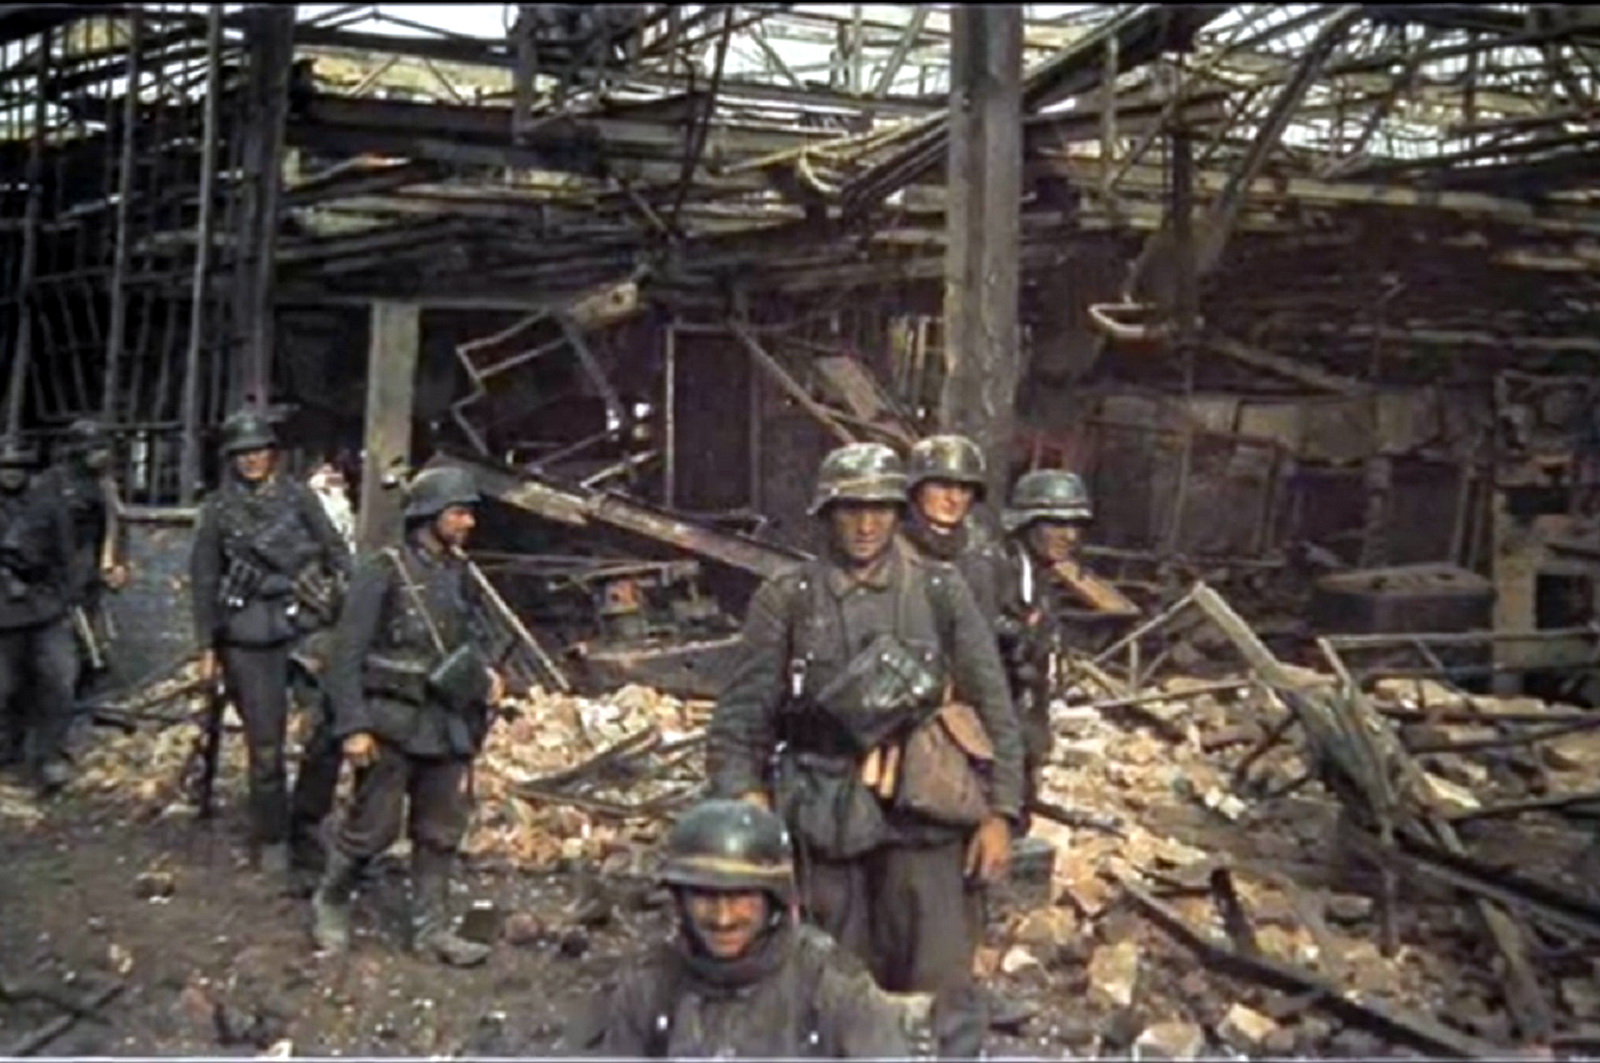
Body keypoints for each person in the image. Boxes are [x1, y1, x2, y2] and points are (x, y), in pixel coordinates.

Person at [708, 441, 1022, 1044]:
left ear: (898, 512)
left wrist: (1001, 813)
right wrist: (747, 805)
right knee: (826, 991)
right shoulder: (788, 599)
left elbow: (994, 707)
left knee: (939, 993)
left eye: (879, 507)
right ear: (826, 514)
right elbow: (741, 718)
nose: (866, 522)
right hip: (824, 818)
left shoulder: (940, 590)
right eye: (850, 507)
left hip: (925, 819)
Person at [311, 465, 506, 967]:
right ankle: (331, 900)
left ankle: (431, 930)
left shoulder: (459, 572)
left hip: (448, 720)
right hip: (392, 719)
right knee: (372, 827)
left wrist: (486, 674)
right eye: (459, 513)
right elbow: (344, 656)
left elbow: (475, 636)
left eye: (467, 513)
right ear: (429, 516)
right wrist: (351, 726)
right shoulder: (383, 570)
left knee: (440, 828)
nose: (468, 523)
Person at [570, 798, 919, 1058]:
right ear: (680, 900)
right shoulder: (649, 986)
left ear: (774, 901)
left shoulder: (829, 986)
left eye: (741, 898)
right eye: (705, 897)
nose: (723, 918)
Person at [189, 408, 351, 877]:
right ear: (231, 459)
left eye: (258, 450)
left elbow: (338, 554)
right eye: (241, 453)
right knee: (265, 748)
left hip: (306, 627)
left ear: (272, 454)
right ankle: (274, 835)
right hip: (248, 637)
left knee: (328, 729)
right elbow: (203, 580)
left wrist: (343, 602)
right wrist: (206, 649)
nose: (251, 460)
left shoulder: (299, 498)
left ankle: (307, 821)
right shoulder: (218, 510)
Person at [0, 439, 80, 792]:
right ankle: (7, 753)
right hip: (3, 612)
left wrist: (67, 596)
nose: (13, 473)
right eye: (6, 466)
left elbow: (66, 551)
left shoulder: (47, 503)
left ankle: (50, 757)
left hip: (46, 607)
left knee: (59, 681)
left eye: (20, 466)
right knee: (5, 688)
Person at [34, 419, 127, 683]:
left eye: (103, 448)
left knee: (93, 641)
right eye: (94, 448)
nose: (102, 455)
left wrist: (117, 562)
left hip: (90, 571)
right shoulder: (51, 483)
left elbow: (115, 524)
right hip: (57, 574)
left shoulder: (104, 485)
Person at [899, 434, 1011, 626]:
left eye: (964, 489)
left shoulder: (985, 557)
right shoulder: (890, 549)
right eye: (942, 486)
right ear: (917, 489)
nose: (954, 498)